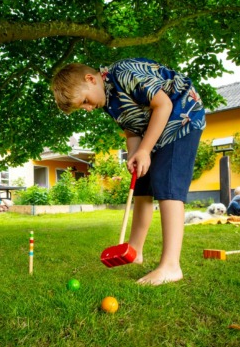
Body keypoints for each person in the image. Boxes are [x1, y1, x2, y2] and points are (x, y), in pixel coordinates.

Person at [52, 57, 206, 286]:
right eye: (81, 107)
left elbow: (163, 105)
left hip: (182, 119)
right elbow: (132, 130)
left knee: (168, 185)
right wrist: (136, 155)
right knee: (142, 184)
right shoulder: (108, 101)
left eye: (84, 100)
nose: (87, 108)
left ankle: (171, 265)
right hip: (154, 129)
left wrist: (145, 150)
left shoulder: (124, 73)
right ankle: (134, 251)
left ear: (90, 79)